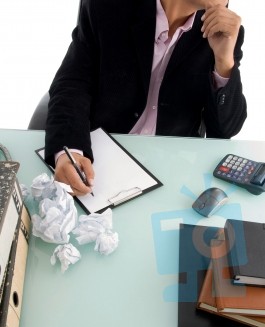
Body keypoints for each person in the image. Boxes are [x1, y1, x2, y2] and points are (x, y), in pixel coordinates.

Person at [45, 0, 247, 196]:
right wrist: (69, 151)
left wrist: (224, 62)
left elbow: (224, 130)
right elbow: (72, 83)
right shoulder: (107, 6)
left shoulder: (222, 30)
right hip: (100, 158)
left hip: (170, 171)